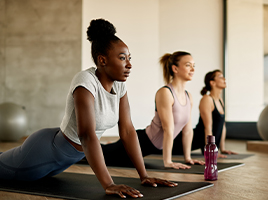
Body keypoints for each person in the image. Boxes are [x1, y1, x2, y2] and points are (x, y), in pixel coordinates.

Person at [0, 18, 177, 199]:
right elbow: (86, 134)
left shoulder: (119, 86)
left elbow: (128, 131)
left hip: (63, 161)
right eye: (122, 58)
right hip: (43, 153)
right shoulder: (85, 81)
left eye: (129, 58)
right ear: (102, 60)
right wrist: (109, 184)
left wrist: (144, 175)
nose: (129, 64)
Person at [101, 51, 205, 170]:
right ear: (175, 69)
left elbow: (187, 131)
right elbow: (168, 129)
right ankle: (83, 146)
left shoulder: (188, 96)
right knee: (99, 154)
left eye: (194, 65)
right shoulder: (166, 93)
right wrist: (168, 162)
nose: (193, 69)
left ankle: (109, 145)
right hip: (141, 142)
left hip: (151, 148)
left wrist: (188, 158)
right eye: (188, 65)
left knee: (106, 153)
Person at [183, 69, 237, 157]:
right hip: (193, 141)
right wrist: (210, 151)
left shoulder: (220, 100)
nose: (224, 79)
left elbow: (222, 126)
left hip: (207, 143)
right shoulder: (207, 99)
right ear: (212, 83)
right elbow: (208, 128)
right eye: (220, 77)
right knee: (160, 149)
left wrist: (222, 149)